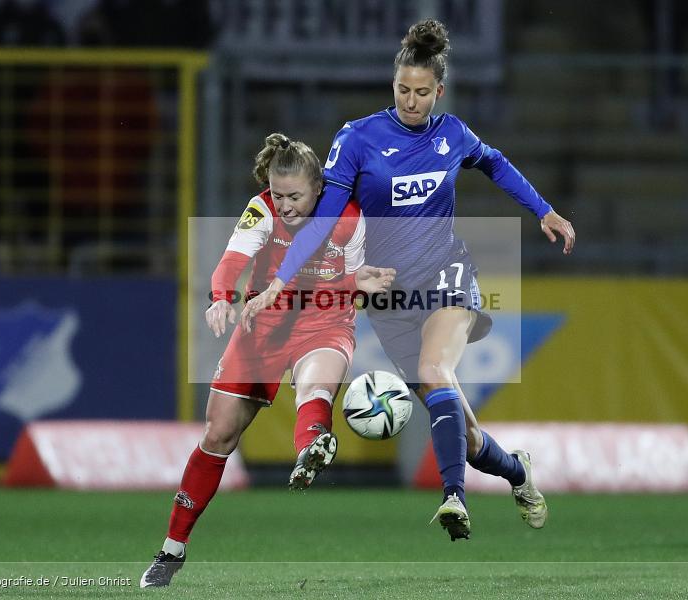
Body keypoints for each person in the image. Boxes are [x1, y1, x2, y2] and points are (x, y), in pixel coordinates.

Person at [241, 19, 576, 542]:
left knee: (433, 367)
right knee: (464, 436)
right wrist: (281, 279)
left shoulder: (453, 134)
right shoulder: (357, 139)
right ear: (392, 85)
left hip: (446, 274)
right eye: (403, 90)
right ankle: (517, 471)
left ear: (438, 91)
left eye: (422, 92)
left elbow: (495, 164)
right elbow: (325, 217)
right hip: (390, 296)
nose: (411, 101)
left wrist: (544, 210)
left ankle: (453, 499)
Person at [140, 133, 394, 587]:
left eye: (295, 196)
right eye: (279, 194)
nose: (286, 205)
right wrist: (220, 297)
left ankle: (311, 445)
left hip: (324, 322)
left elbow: (349, 287)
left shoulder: (350, 218)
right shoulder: (262, 209)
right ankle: (172, 549)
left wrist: (360, 282)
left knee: (315, 386)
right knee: (218, 435)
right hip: (263, 324)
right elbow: (230, 262)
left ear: (320, 188)